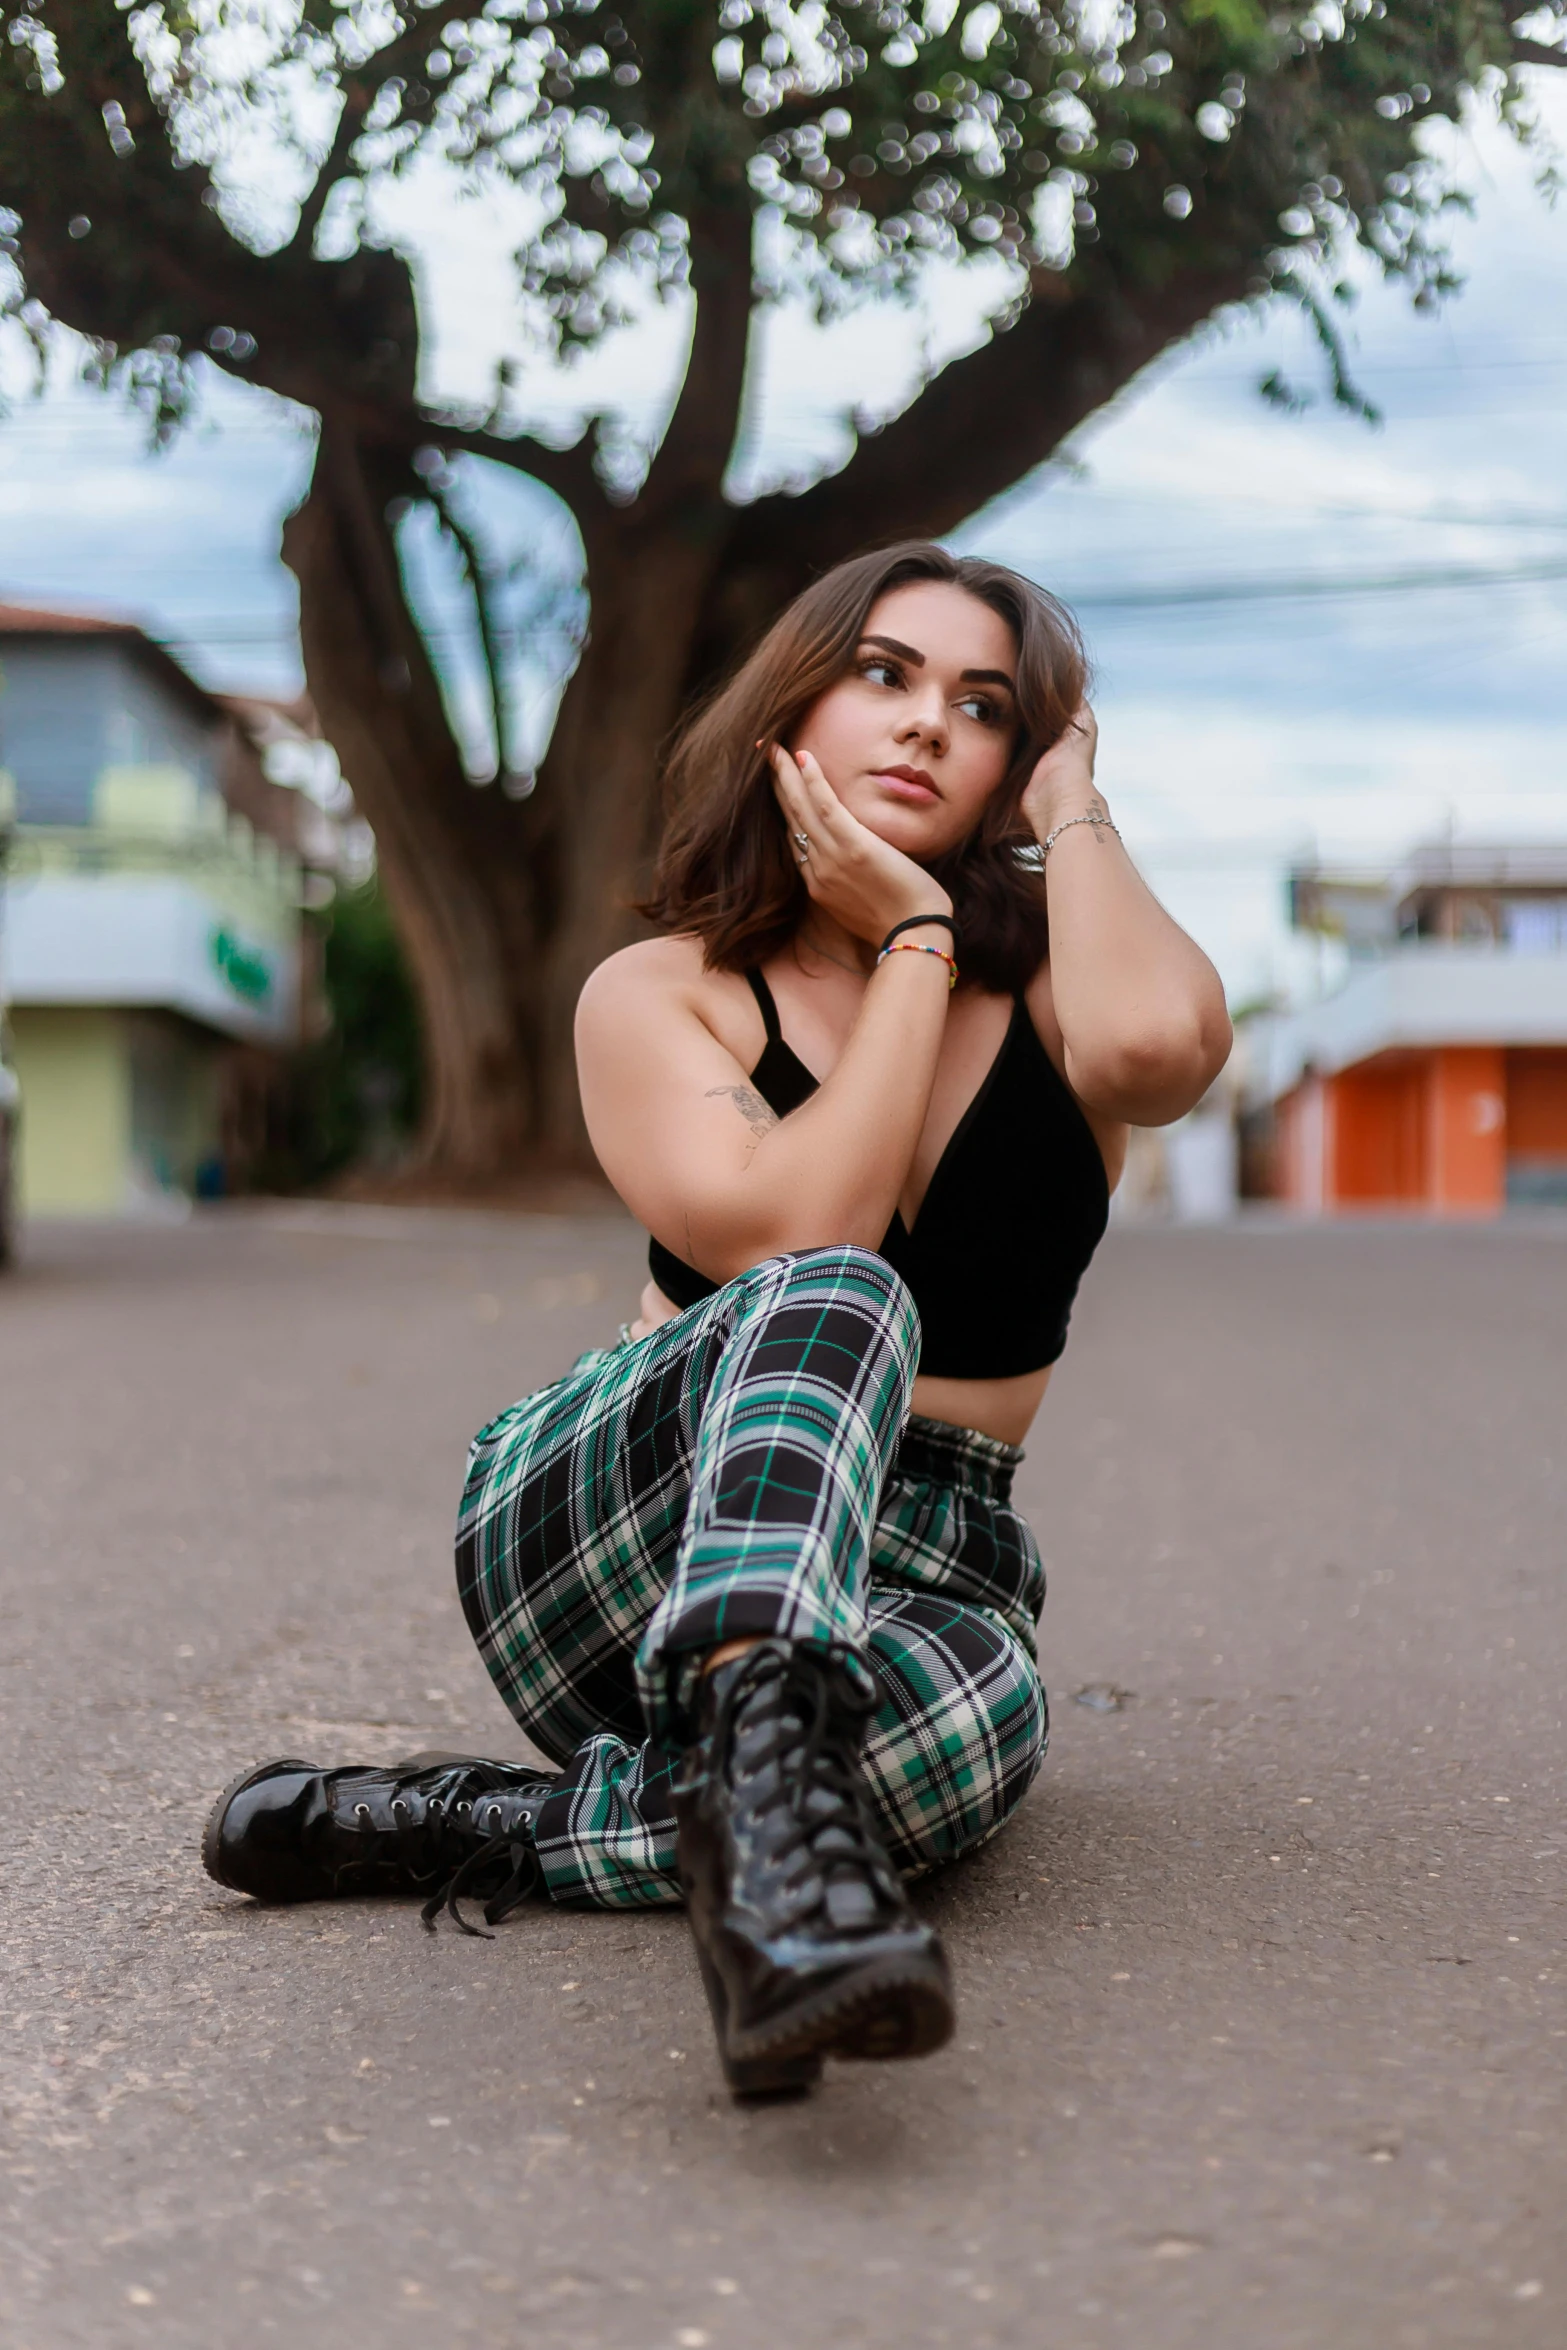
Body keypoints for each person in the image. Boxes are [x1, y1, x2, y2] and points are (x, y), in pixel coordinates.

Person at [202, 543, 1230, 2098]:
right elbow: (800, 1236)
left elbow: (1162, 1041)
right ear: (789, 708)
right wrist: (911, 945)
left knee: (974, 1737)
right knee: (836, 1290)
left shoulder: (1064, 1013)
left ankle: (532, 1824)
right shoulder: (658, 989)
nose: (924, 725)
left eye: (983, 706)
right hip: (631, 1512)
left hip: (927, 1546)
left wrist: (1071, 798)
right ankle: (758, 1782)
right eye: (881, 673)